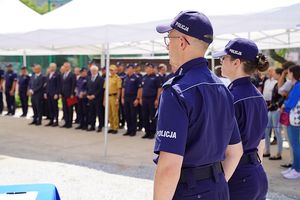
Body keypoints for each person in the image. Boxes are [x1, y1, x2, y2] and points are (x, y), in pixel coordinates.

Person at [154, 11, 242, 199]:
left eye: (169, 40)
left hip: (188, 191)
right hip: (218, 189)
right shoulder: (223, 88)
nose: (168, 46)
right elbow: (235, 151)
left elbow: (169, 167)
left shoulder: (176, 91)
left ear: (182, 42)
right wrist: (213, 184)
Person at [213, 38, 269, 200]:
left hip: (236, 176)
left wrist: (220, 185)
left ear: (236, 62)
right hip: (256, 173)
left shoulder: (230, 98)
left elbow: (230, 151)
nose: (221, 61)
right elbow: (261, 144)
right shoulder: (258, 96)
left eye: (224, 58)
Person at [281, 65, 300, 179]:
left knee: (295, 145)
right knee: (294, 144)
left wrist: (284, 105)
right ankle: (294, 167)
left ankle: (297, 170)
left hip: (295, 120)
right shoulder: (296, 85)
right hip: (294, 119)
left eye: (289, 72)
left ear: (293, 73)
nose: (288, 74)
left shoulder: (298, 86)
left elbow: (291, 103)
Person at [264, 68, 284, 160]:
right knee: (266, 131)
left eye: (275, 73)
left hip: (276, 111)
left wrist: (276, 105)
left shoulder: (283, 84)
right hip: (271, 110)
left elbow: (283, 97)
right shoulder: (276, 83)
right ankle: (267, 151)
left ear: (279, 74)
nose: (273, 74)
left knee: (277, 132)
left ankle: (279, 154)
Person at [140, 63, 162, 139]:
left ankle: (152, 132)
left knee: (152, 116)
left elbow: (159, 89)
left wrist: (157, 99)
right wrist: (140, 98)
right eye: (146, 68)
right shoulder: (144, 77)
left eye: (149, 68)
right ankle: (147, 132)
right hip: (145, 99)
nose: (147, 69)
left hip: (152, 99)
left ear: (153, 69)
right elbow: (141, 89)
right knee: (145, 116)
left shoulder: (156, 77)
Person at [122, 64, 142, 136]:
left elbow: (140, 89)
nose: (129, 70)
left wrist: (137, 99)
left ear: (133, 69)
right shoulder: (125, 77)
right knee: (127, 114)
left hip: (133, 97)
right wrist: (122, 97)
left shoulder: (137, 77)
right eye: (128, 69)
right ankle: (129, 129)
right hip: (126, 97)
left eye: (130, 69)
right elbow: (123, 88)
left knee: (133, 115)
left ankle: (133, 130)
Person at [263, 67, 278, 146]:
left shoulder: (276, 82)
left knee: (274, 122)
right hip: (266, 102)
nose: (269, 73)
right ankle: (267, 137)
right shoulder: (266, 81)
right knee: (267, 122)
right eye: (268, 71)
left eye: (270, 71)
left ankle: (275, 138)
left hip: (272, 103)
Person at [86, 66, 104, 132]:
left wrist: (94, 95)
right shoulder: (88, 78)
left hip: (97, 98)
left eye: (94, 70)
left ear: (97, 71)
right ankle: (92, 125)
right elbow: (87, 87)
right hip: (90, 98)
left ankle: (100, 126)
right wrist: (88, 95)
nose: (92, 72)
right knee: (91, 112)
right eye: (91, 70)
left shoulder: (100, 79)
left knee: (99, 113)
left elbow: (101, 89)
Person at [105, 65, 122, 134]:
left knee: (114, 112)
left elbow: (119, 89)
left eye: (112, 70)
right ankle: (111, 126)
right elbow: (105, 89)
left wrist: (117, 99)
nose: (111, 71)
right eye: (110, 70)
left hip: (114, 96)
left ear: (116, 71)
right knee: (109, 113)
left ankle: (115, 127)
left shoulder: (117, 78)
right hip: (108, 97)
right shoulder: (108, 78)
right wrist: (104, 99)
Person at [61, 62, 76, 128]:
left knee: (70, 109)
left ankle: (70, 123)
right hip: (64, 94)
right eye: (64, 66)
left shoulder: (72, 74)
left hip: (70, 95)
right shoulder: (63, 74)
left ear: (69, 67)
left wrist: (72, 93)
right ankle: (66, 122)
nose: (65, 68)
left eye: (66, 66)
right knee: (65, 109)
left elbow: (73, 84)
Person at [117, 62, 126, 129]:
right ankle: (118, 122)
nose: (119, 67)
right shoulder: (116, 75)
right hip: (117, 94)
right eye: (118, 66)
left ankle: (123, 122)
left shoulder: (125, 75)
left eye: (120, 66)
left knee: (123, 110)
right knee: (117, 110)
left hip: (123, 94)